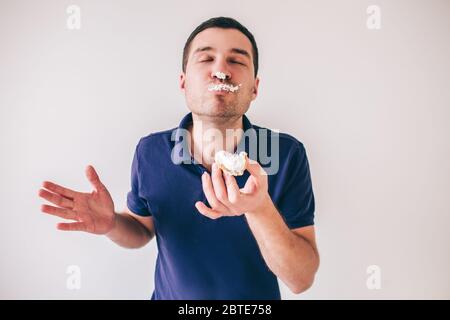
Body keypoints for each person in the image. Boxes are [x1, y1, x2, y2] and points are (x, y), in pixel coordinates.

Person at [38, 17, 320, 300]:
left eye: (236, 61)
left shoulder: (286, 154)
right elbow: (141, 229)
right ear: (183, 82)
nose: (221, 71)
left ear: (254, 88)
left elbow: (301, 279)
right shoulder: (150, 152)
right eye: (206, 58)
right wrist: (112, 223)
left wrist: (260, 210)